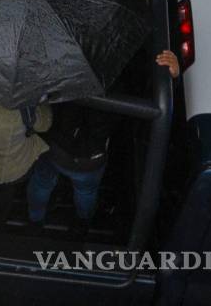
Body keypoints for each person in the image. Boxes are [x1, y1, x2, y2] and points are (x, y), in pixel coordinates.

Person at [26, 51, 180, 238]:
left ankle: (35, 221)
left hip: (56, 148)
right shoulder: (119, 85)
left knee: (42, 182)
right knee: (86, 192)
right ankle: (82, 224)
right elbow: (146, 99)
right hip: (90, 158)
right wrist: (172, 78)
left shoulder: (66, 71)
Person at [0, 91, 53, 232]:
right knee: (3, 194)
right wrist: (43, 102)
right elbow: (45, 124)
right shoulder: (22, 107)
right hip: (10, 168)